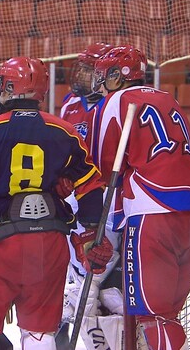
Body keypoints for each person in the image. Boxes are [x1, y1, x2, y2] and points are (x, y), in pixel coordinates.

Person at [0, 56, 113, 349]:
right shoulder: (65, 131)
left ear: (11, 87)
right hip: (49, 243)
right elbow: (90, 185)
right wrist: (91, 231)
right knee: (40, 332)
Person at [91, 45, 190, 349]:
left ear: (118, 76)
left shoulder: (116, 101)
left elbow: (103, 166)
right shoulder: (169, 99)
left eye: (105, 75)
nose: (101, 82)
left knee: (153, 316)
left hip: (152, 211)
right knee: (167, 315)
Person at [57, 42, 126, 350]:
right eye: (81, 68)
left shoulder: (117, 103)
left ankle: (105, 338)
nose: (82, 74)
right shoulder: (69, 104)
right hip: (76, 200)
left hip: (110, 201)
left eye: (88, 68)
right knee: (78, 274)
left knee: (102, 281)